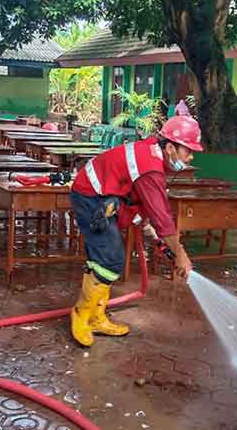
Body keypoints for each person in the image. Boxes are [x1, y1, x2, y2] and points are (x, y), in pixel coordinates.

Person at [69, 115, 200, 347]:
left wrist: (158, 240)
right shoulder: (151, 167)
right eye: (188, 151)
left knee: (103, 259)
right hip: (91, 196)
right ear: (170, 147)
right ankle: (81, 315)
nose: (190, 158)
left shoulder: (153, 154)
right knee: (110, 259)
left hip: (104, 196)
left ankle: (96, 317)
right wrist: (180, 254)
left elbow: (144, 206)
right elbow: (163, 219)